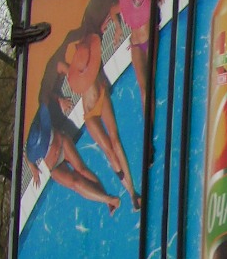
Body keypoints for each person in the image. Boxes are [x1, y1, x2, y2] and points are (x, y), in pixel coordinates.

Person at [43, 25, 142, 211]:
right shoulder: (76, 66)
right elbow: (58, 67)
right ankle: (130, 193)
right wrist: (60, 99)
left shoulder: (86, 53)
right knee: (110, 151)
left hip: (101, 96)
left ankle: (132, 194)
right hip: (90, 114)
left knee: (116, 141)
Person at [24, 102, 121, 213]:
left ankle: (108, 200)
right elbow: (28, 157)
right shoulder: (33, 145)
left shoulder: (40, 124)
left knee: (82, 170)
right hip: (54, 165)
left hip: (62, 144)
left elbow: (48, 99)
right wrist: (33, 169)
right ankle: (107, 199)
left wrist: (61, 101)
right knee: (75, 183)